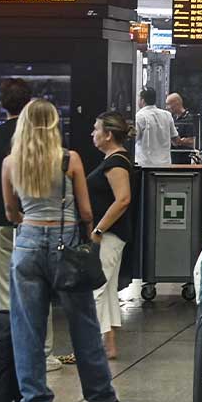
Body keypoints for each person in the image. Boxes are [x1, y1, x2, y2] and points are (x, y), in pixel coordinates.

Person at [1, 99, 138, 402]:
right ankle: (101, 400)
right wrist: (88, 236)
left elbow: (9, 213)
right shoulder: (69, 159)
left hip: (28, 245)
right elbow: (87, 211)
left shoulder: (11, 163)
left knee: (28, 330)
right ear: (52, 126)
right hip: (66, 248)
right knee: (84, 327)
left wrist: (29, 221)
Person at [0, 78, 62, 372]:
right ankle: (44, 353)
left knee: (8, 291)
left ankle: (17, 351)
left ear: (1, 104)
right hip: (39, 222)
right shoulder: (47, 141)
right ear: (30, 103)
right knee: (41, 287)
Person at [81, 111, 135, 361]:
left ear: (108, 134)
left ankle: (93, 345)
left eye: (96, 129)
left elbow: (122, 199)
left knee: (97, 289)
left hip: (109, 235)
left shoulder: (116, 163)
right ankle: (109, 345)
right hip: (112, 234)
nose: (93, 133)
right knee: (108, 288)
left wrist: (99, 229)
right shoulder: (116, 160)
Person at [134, 87, 177, 168]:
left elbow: (133, 139)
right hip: (165, 165)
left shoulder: (140, 116)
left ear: (142, 100)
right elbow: (175, 140)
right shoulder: (167, 115)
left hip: (145, 166)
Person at [166, 92, 197, 164]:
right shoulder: (172, 118)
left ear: (177, 103)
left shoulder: (189, 119)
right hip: (172, 158)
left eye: (168, 104)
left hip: (185, 159)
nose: (167, 107)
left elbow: (193, 141)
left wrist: (179, 141)